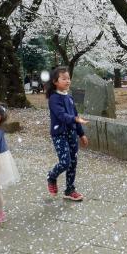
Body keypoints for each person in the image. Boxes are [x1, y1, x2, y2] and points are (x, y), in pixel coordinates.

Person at [46, 66, 89, 201]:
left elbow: (75, 116)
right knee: (65, 162)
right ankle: (52, 176)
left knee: (73, 162)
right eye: (64, 78)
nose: (68, 81)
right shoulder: (54, 98)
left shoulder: (69, 98)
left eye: (68, 78)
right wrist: (74, 119)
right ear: (55, 81)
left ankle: (70, 190)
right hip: (59, 134)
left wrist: (81, 134)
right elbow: (61, 115)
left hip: (71, 134)